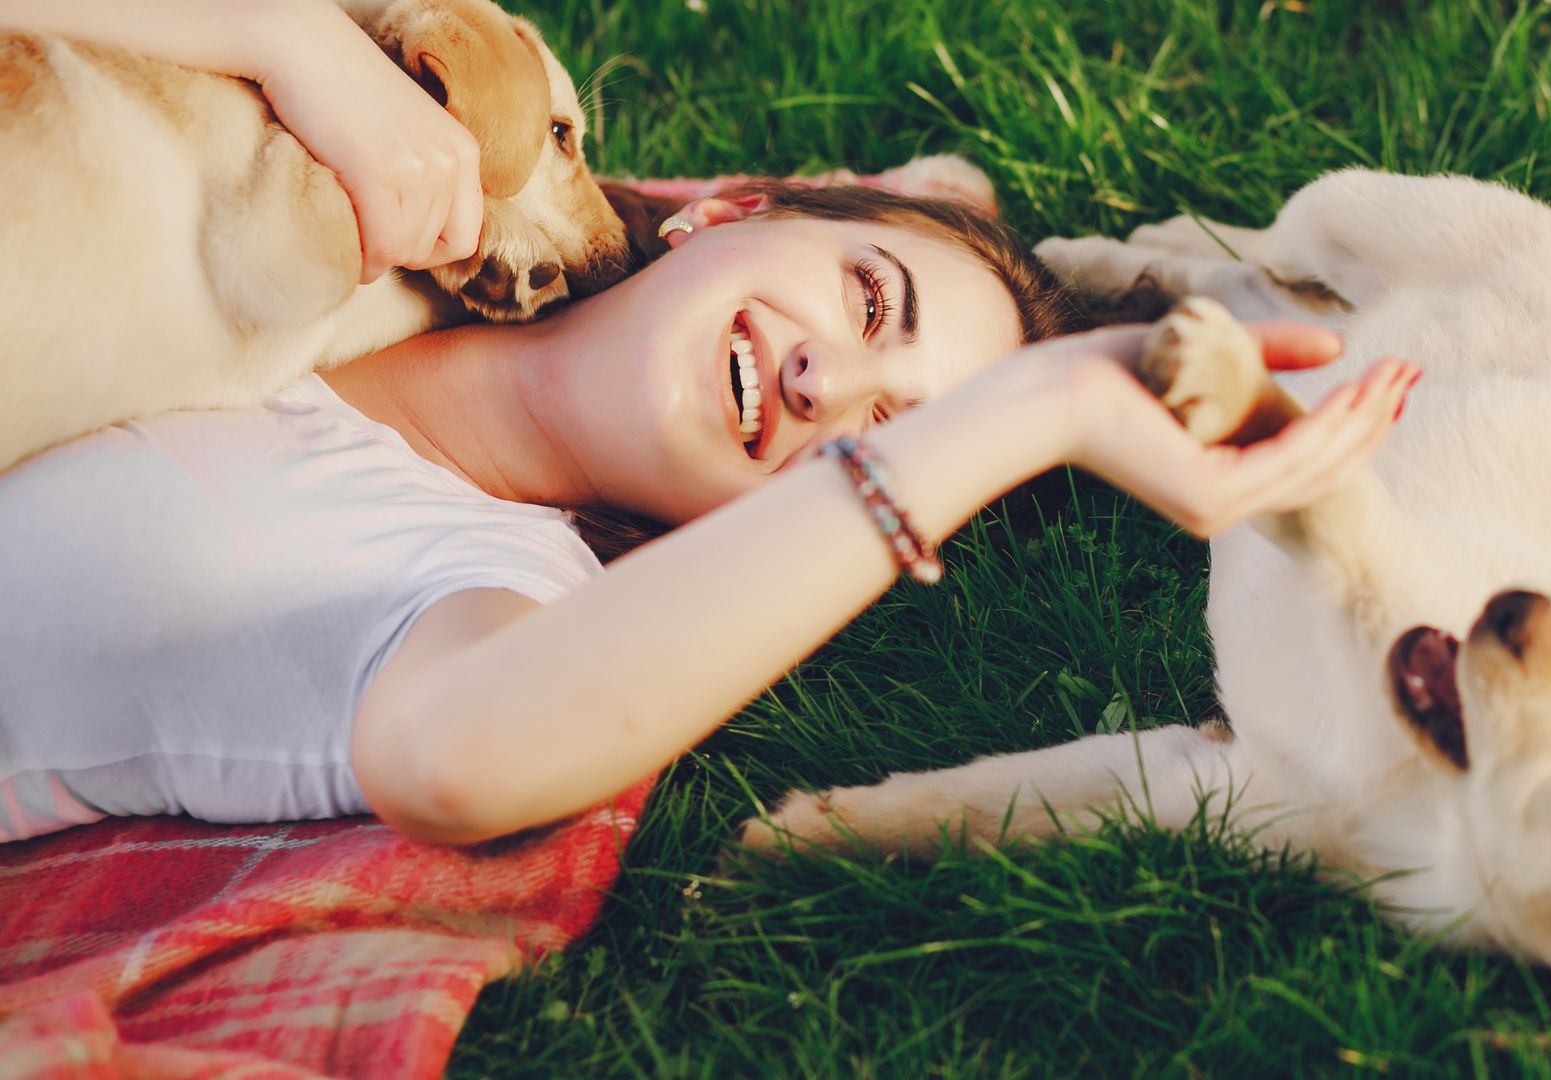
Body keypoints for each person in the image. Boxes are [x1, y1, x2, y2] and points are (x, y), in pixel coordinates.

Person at [0, 0, 1419, 845]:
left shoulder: (474, 584)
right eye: (867, 307)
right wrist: (292, 41)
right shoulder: (408, 180)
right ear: (729, 212)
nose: (827, 389)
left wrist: (1037, 410)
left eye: (874, 435)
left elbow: (455, 759)